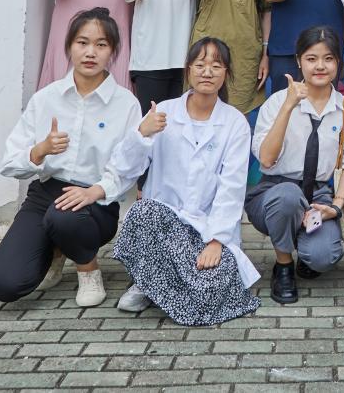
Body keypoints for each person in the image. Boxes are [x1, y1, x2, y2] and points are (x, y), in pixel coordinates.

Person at [0, 8, 139, 308]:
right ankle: (57, 250)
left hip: (96, 202)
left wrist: (96, 191)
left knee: (65, 216)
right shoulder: (46, 98)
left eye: (101, 44)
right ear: (69, 46)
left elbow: (130, 167)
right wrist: (40, 150)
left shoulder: (126, 104)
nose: (90, 52)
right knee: (5, 285)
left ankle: (88, 269)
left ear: (112, 51)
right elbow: (9, 162)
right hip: (45, 194)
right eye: (82, 43)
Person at [107, 37, 261, 325]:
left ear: (226, 73)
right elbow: (126, 168)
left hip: (206, 228)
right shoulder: (163, 112)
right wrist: (142, 133)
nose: (207, 72)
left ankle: (163, 286)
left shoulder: (235, 123)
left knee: (213, 289)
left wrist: (216, 241)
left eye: (216, 66)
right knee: (143, 211)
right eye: (200, 65)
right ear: (188, 69)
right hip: (162, 227)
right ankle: (146, 283)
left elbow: (232, 188)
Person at [247, 26, 344, 304]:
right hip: (273, 192)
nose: (320, 66)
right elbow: (266, 159)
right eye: (311, 58)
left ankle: (304, 248)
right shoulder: (276, 102)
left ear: (338, 62)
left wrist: (337, 205)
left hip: (319, 195)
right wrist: (288, 106)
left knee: (323, 257)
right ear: (298, 61)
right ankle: (283, 265)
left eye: (328, 58)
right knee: (288, 197)